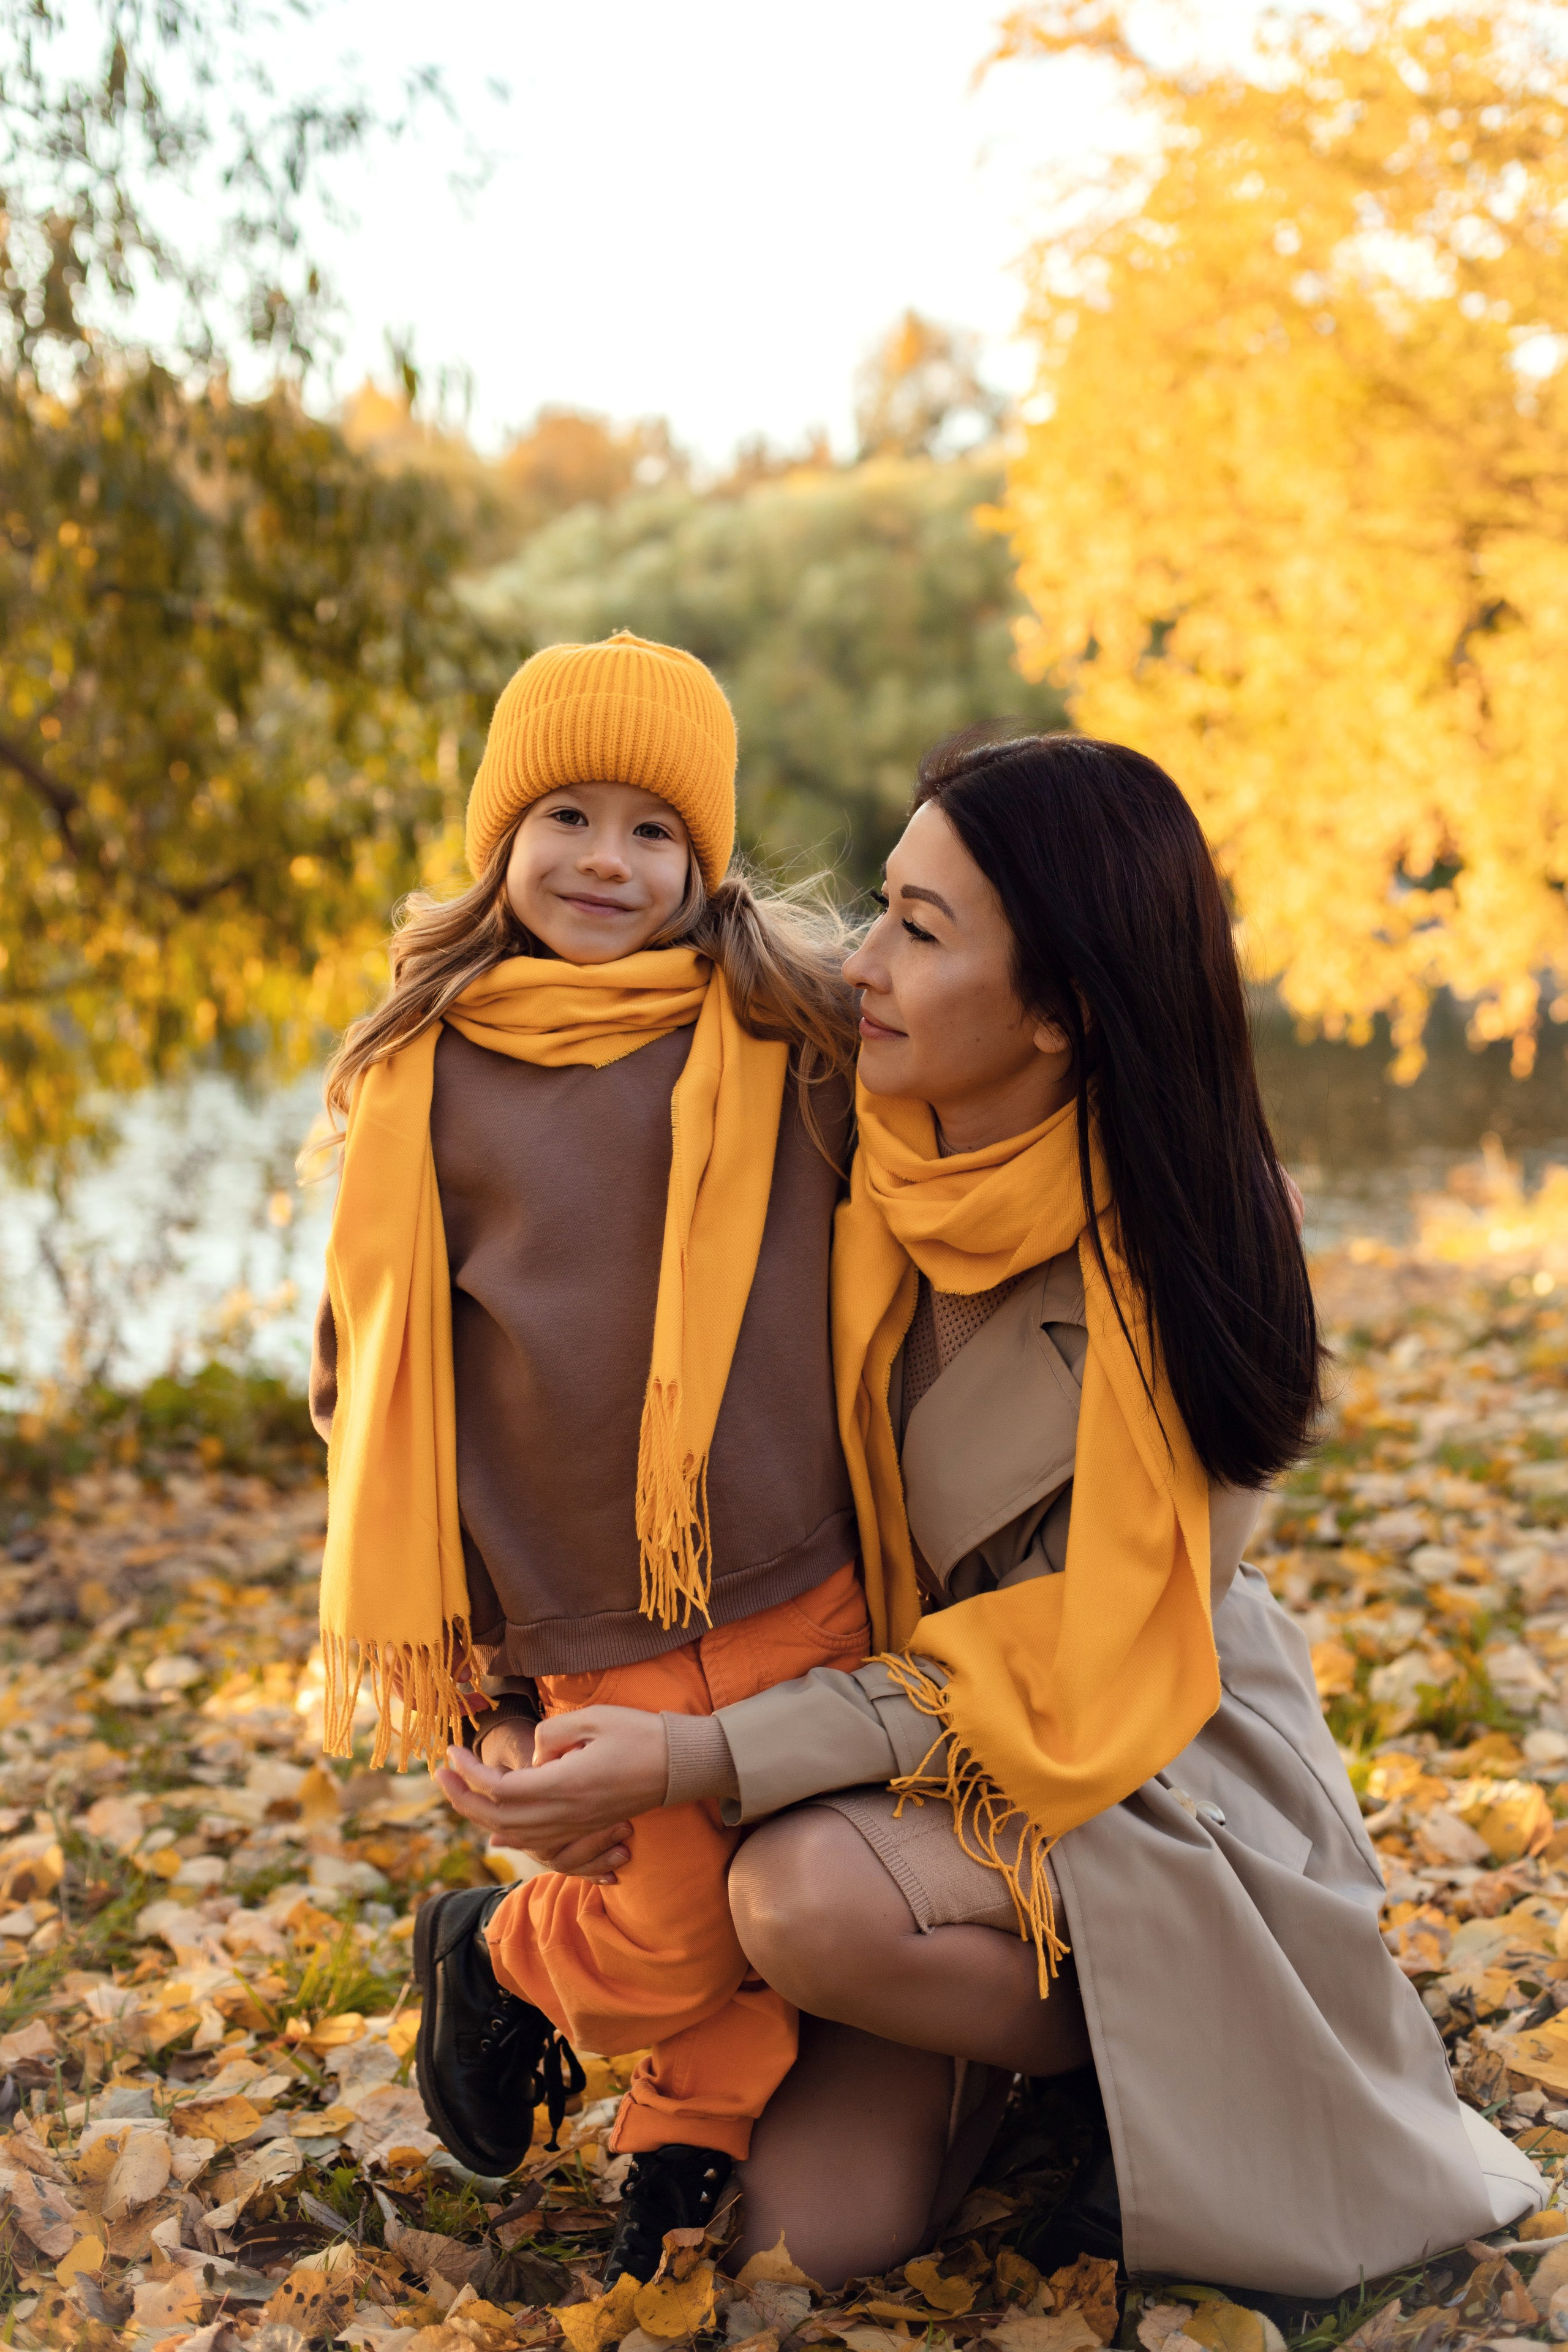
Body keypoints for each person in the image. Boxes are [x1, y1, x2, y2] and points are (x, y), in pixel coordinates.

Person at [441, 728, 1547, 2295]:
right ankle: (1028, 2058)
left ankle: (1142, 2067)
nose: (860, 960)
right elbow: (547, 1371)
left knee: (800, 1900)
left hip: (1126, 1755)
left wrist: (703, 1757)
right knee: (799, 2247)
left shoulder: (1201, 1243)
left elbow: (1051, 1663)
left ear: (1059, 1016)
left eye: (919, 929)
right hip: (852, 1741)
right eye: (881, 903)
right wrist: (504, 1708)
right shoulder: (810, 1113)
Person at [307, 631, 870, 2285]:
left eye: (653, 829)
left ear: (706, 856)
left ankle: (686, 2149)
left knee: (768, 1886)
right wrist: (477, 1678)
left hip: (794, 1553)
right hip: (586, 1597)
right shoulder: (430, 1074)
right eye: (567, 817)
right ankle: (491, 1958)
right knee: (663, 1916)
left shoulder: (780, 1024)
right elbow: (381, 1385)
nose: (608, 861)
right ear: (501, 839)